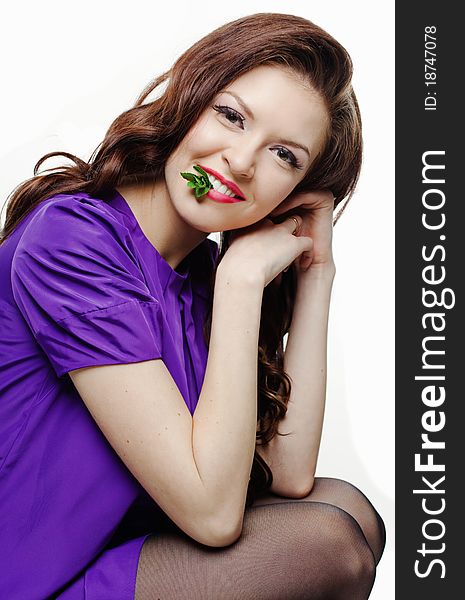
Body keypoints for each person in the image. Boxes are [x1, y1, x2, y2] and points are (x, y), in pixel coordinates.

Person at [0, 12, 385, 600]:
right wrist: (240, 284)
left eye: (284, 155)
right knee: (326, 544)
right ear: (190, 97)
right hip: (28, 577)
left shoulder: (199, 276)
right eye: (231, 117)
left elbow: (286, 474)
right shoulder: (73, 239)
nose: (239, 162)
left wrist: (317, 271)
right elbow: (212, 515)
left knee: (348, 509)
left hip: (110, 556)